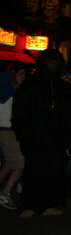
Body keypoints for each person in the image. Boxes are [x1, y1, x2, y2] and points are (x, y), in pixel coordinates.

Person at [12, 50, 71, 217]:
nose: (54, 65)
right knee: (33, 172)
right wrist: (24, 135)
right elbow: (20, 113)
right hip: (35, 138)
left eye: (57, 62)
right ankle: (29, 205)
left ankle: (48, 204)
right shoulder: (29, 86)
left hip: (57, 139)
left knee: (54, 173)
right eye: (51, 61)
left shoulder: (64, 88)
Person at [0, 63, 28, 210]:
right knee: (20, 164)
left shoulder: (17, 90)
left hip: (12, 130)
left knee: (10, 163)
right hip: (5, 130)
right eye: (21, 74)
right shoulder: (6, 88)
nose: (23, 77)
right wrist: (11, 70)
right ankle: (4, 193)